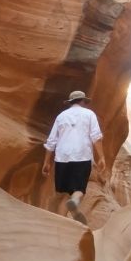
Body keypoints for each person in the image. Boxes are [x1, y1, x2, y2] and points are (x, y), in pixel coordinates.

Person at [42, 91, 106, 224]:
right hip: (81, 156)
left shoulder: (61, 116)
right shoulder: (89, 114)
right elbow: (96, 136)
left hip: (62, 159)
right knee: (79, 190)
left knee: (65, 194)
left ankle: (62, 223)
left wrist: (46, 163)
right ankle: (75, 201)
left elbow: (51, 141)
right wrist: (102, 157)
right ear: (83, 101)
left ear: (70, 102)